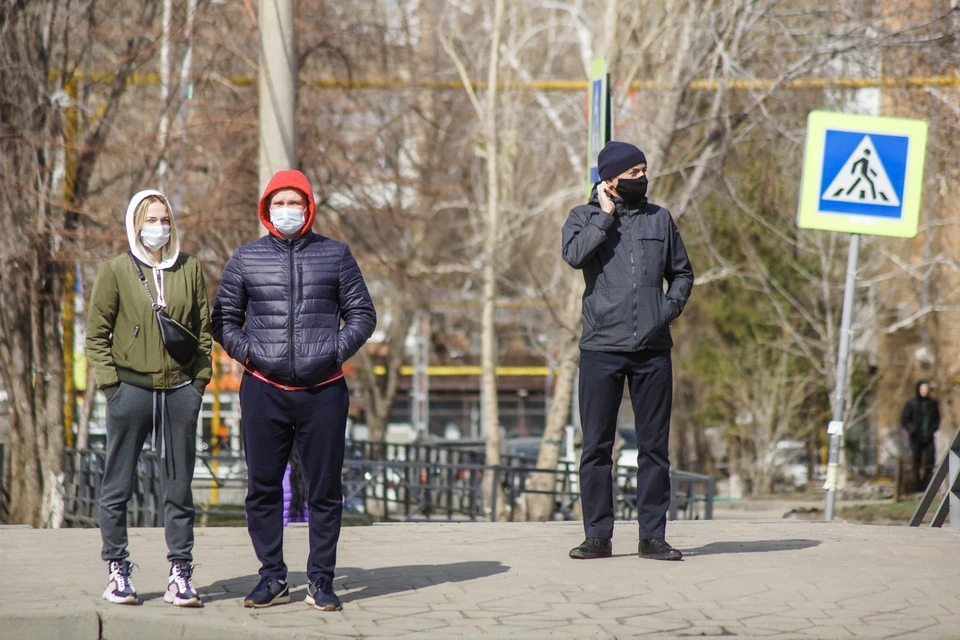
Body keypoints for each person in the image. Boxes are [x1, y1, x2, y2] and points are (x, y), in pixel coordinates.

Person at [212, 170, 376, 612]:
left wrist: (332, 352)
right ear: (267, 209)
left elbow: (362, 314)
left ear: (309, 207)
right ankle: (272, 577)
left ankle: (321, 580)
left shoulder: (336, 255)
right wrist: (252, 356)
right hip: (264, 389)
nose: (287, 210)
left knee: (325, 490)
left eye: (294, 202)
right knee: (263, 487)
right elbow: (223, 320)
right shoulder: (245, 259)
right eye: (279, 203)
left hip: (324, 390)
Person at [561, 141, 694, 561]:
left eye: (644, 171)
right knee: (597, 448)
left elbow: (683, 274)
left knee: (655, 449)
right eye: (634, 172)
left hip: (652, 349)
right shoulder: (583, 218)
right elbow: (574, 256)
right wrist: (604, 216)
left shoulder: (661, 218)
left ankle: (652, 536)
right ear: (610, 179)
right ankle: (597, 536)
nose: (642, 178)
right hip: (601, 347)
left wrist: (664, 311)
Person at [86, 190, 212, 606]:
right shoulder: (116, 271)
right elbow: (96, 335)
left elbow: (203, 331)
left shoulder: (190, 269)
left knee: (178, 488)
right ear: (135, 223)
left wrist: (198, 385)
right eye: (150, 219)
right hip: (131, 391)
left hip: (179, 392)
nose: (159, 227)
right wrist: (112, 388)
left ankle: (181, 571)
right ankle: (117, 569)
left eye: (165, 219)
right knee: (117, 485)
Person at [901, 380, 940, 491]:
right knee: (916, 461)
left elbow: (937, 419)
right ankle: (916, 485)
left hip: (929, 436)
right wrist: (912, 429)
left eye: (926, 389)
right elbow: (904, 419)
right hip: (916, 437)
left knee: (930, 460)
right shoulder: (911, 403)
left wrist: (933, 429)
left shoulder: (933, 403)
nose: (924, 391)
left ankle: (926, 484)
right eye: (922, 389)